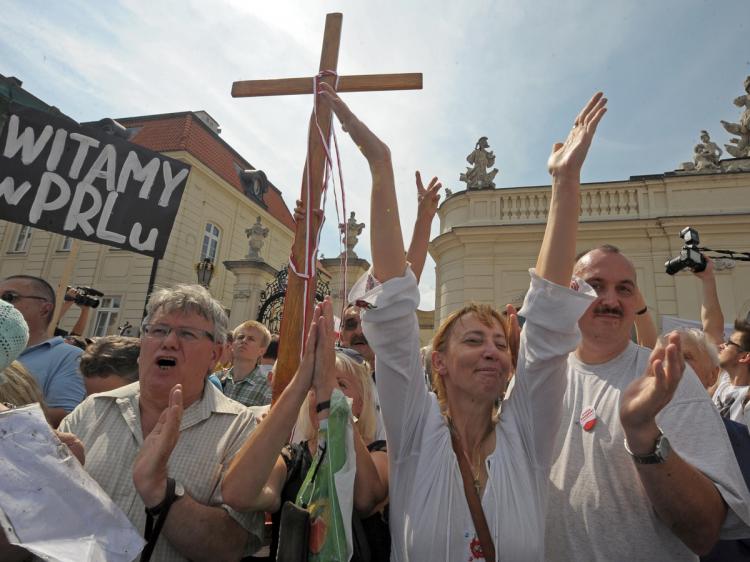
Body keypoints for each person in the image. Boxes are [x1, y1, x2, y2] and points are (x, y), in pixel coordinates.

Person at [323, 81, 605, 560]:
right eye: (474, 339)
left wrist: (565, 182)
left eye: (500, 341)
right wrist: (380, 165)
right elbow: (392, 313)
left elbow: (551, 320)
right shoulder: (414, 432)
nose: (494, 349)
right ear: (439, 363)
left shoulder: (528, 436)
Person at [545, 245, 750, 561]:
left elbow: (704, 531)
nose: (611, 300)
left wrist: (645, 435)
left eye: (624, 289)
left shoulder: (669, 379)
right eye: (596, 285)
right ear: (572, 291)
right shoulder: (542, 380)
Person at [60, 284, 264, 561]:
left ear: (215, 355)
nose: (168, 341)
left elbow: (229, 548)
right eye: (158, 330)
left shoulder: (240, 428)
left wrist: (161, 492)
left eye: (187, 334)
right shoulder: (92, 410)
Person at [0, 275, 85, 427]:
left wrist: (7, 411)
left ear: (45, 309)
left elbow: (65, 415)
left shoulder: (69, 356)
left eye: (9, 297)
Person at [221, 320, 273, 407]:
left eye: (251, 339)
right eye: (240, 337)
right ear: (233, 345)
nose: (244, 341)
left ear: (262, 351)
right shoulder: (215, 379)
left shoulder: (266, 388)